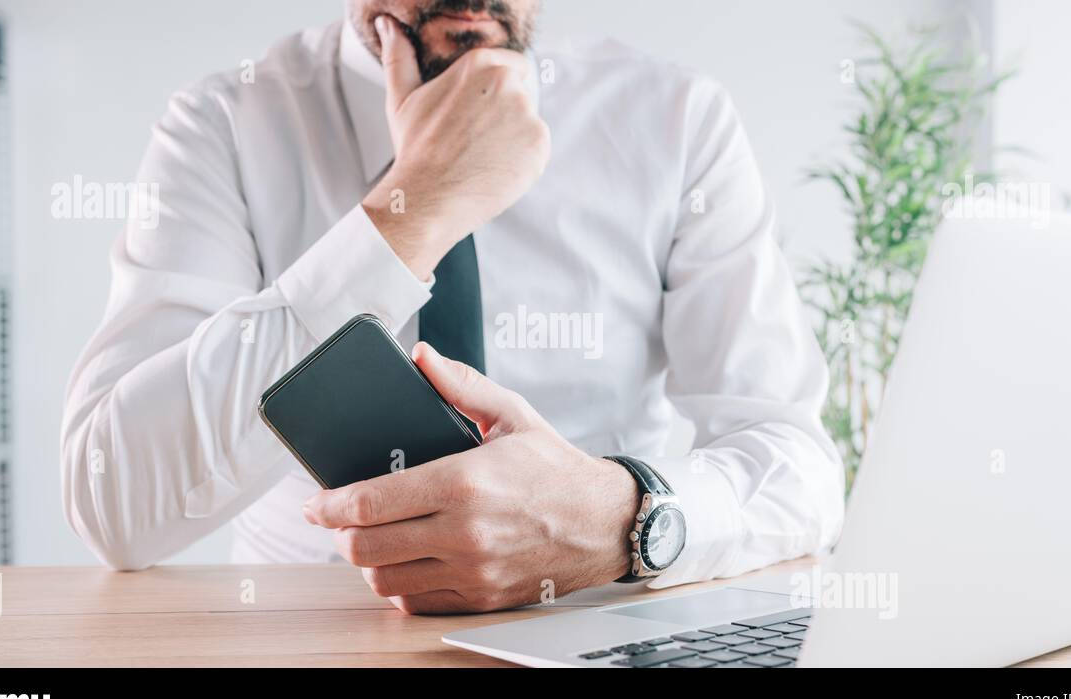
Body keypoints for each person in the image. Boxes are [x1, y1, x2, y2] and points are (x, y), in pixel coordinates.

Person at [61, 0, 844, 614]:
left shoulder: (679, 123)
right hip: (305, 633)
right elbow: (115, 507)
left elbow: (799, 467)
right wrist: (416, 207)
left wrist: (620, 519)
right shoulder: (226, 124)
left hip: (599, 619)